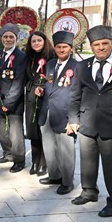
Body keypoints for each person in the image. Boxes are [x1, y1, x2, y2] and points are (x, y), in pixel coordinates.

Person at [67, 25, 112, 217]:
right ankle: (89, 191)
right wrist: (73, 119)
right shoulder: (82, 66)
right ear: (91, 46)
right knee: (87, 162)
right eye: (97, 44)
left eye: (105, 43)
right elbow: (75, 95)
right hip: (87, 123)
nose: (101, 48)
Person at [36, 31, 78, 195]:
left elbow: (77, 94)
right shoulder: (51, 63)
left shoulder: (77, 66)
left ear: (71, 48)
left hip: (64, 114)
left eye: (64, 47)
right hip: (47, 111)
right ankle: (54, 175)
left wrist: (73, 119)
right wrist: (41, 89)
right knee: (49, 147)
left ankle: (67, 182)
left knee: (66, 150)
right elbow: (50, 85)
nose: (61, 50)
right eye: (59, 47)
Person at [0, 23, 28, 173]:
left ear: (16, 39)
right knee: (2, 131)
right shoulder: (0, 53)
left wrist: (9, 102)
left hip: (13, 101)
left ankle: (19, 159)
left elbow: (18, 82)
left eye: (11, 37)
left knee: (15, 133)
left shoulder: (21, 57)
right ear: (2, 39)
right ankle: (7, 154)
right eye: (5, 37)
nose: (8, 39)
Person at [24, 31, 55, 176]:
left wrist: (43, 88)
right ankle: (35, 162)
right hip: (31, 95)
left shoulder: (52, 56)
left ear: (44, 41)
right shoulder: (28, 57)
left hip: (46, 96)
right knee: (32, 131)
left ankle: (44, 163)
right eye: (33, 41)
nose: (36, 43)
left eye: (39, 40)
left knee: (44, 131)